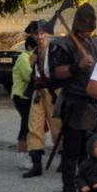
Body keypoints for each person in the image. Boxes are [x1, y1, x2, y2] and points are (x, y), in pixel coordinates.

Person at [49, 3, 97, 192]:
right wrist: (77, 66)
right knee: (72, 152)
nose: (88, 31)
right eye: (85, 27)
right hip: (75, 103)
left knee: (93, 152)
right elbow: (57, 73)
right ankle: (68, 190)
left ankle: (89, 187)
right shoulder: (62, 44)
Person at [22, 22, 59, 179]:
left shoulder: (57, 50)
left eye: (42, 34)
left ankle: (65, 159)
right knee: (34, 126)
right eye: (36, 34)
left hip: (54, 91)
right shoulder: (34, 52)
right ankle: (36, 164)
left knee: (57, 126)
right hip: (39, 92)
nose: (39, 37)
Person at [11, 32, 37, 171]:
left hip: (28, 97)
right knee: (26, 124)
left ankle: (28, 152)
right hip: (21, 96)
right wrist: (34, 65)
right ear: (29, 47)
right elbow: (29, 77)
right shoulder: (24, 58)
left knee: (30, 125)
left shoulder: (30, 57)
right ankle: (21, 155)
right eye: (35, 48)